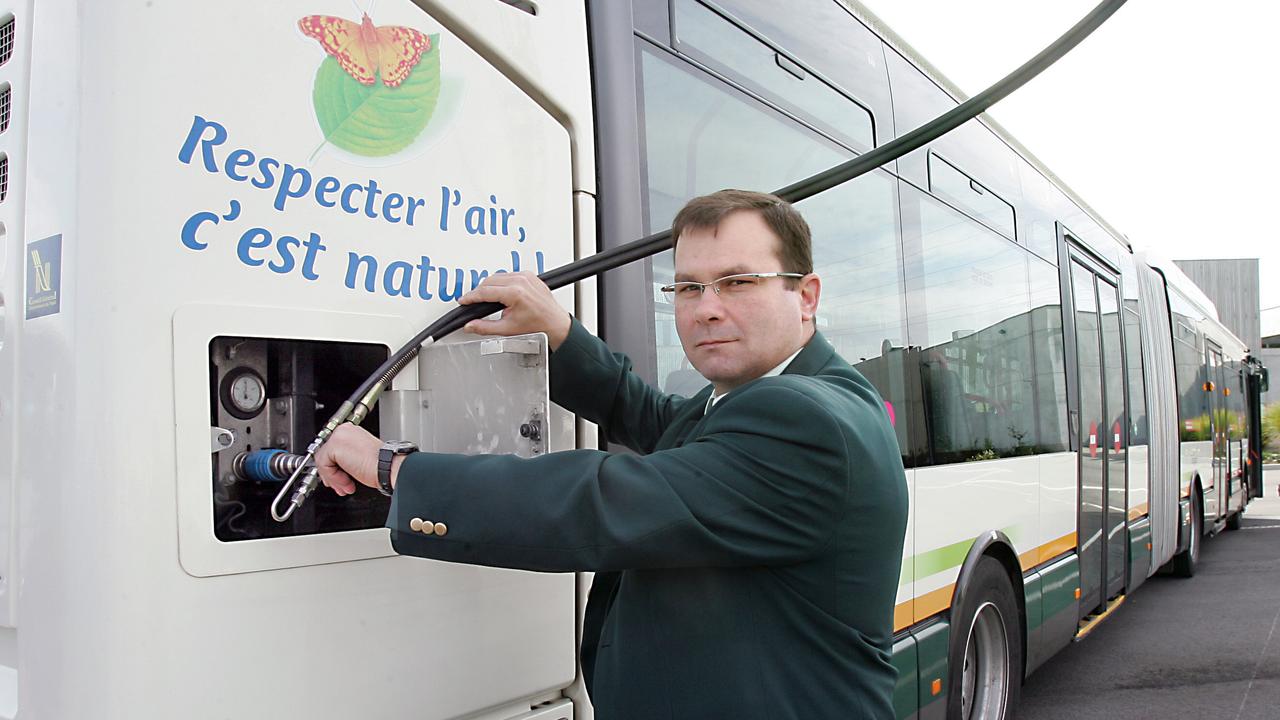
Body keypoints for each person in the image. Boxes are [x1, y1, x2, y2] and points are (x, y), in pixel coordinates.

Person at [315, 189, 909, 719]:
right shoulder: (758, 397)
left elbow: (601, 502)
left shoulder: (806, 421)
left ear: (805, 296)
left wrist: (398, 469)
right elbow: (655, 420)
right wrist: (561, 335)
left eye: (737, 282)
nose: (706, 307)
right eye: (688, 287)